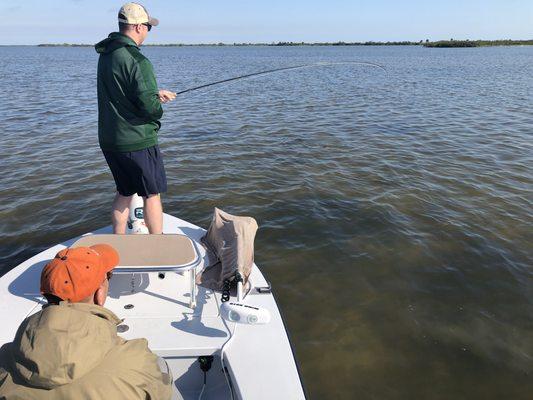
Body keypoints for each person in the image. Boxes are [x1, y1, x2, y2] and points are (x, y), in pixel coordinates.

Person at [0, 245, 172, 399]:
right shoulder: (138, 361)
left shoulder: (4, 361)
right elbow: (163, 390)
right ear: (100, 293)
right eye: (108, 277)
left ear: (46, 294)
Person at [95, 2, 176, 234]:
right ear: (139, 27)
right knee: (151, 194)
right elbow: (150, 108)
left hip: (111, 140)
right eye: (148, 27)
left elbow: (123, 91)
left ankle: (118, 243)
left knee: (124, 192)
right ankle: (158, 244)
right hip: (137, 140)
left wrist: (153, 94)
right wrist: (157, 105)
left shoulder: (107, 55)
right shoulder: (138, 60)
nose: (149, 32)